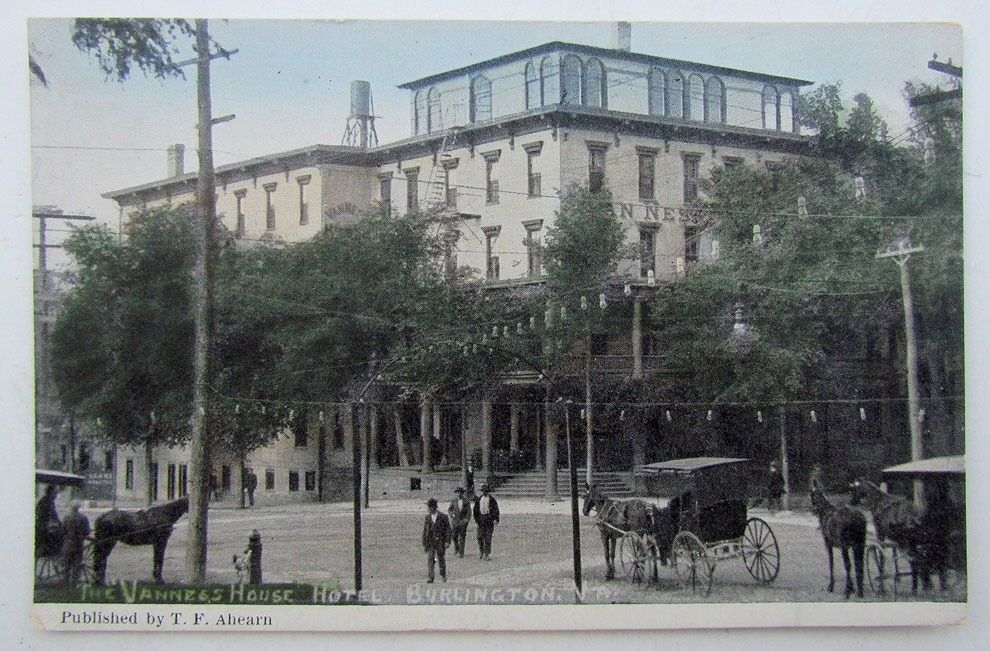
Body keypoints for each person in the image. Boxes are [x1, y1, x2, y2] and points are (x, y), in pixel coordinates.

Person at [61, 500, 90, 584]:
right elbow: (87, 532)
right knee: (77, 564)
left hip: (67, 544)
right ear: (78, 507)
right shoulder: (83, 518)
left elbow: (63, 530)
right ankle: (75, 582)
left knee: (67, 564)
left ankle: (65, 581)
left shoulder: (66, 517)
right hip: (78, 545)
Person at [422, 497, 451, 583]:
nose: (428, 509)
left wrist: (447, 541)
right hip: (430, 542)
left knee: (441, 558)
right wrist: (424, 543)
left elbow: (448, 530)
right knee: (430, 559)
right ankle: (431, 577)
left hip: (440, 541)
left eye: (429, 507)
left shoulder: (443, 517)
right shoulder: (427, 518)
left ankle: (443, 575)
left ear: (433, 507)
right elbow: (425, 531)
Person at [472, 483, 500, 561]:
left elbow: (496, 510)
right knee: (479, 537)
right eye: (483, 491)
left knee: (488, 538)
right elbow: (475, 510)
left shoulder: (492, 500)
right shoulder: (479, 499)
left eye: (486, 491)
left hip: (489, 521)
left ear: (488, 492)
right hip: (481, 521)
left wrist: (495, 519)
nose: (485, 492)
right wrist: (477, 520)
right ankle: (481, 551)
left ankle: (487, 554)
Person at [447, 486, 471, 558]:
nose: (459, 494)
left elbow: (469, 512)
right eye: (457, 492)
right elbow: (450, 509)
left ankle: (461, 552)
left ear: (462, 493)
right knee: (454, 536)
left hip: (462, 521)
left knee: (462, 536)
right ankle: (456, 548)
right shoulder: (453, 500)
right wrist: (451, 514)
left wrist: (466, 520)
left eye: (460, 492)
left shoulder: (466, 501)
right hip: (455, 521)